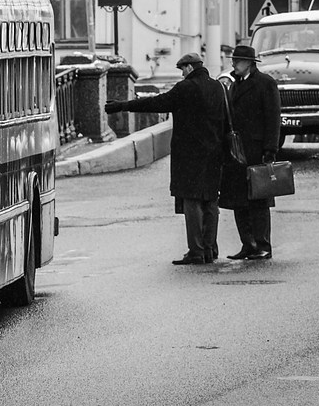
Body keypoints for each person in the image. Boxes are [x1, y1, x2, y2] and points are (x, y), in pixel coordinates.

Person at [105, 52, 226, 265]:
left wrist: (123, 105)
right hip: (214, 152)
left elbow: (158, 103)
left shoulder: (186, 88)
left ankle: (196, 250)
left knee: (192, 201)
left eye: (182, 69)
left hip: (190, 154)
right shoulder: (218, 87)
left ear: (189, 67)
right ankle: (209, 249)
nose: (181, 74)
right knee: (211, 201)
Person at [219, 45, 282, 260]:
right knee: (239, 200)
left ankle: (263, 245)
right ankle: (247, 244)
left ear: (249, 63)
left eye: (237, 61)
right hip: (237, 152)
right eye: (233, 60)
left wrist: (270, 150)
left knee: (259, 200)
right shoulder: (234, 85)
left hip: (256, 150)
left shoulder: (265, 83)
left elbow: (273, 119)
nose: (233, 64)